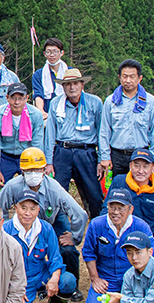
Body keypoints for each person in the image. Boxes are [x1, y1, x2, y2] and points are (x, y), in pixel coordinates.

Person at [0, 147, 88, 289]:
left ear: (45, 170)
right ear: (22, 170)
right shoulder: (13, 186)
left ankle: (70, 287)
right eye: (29, 170)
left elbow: (79, 214)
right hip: (24, 222)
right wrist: (5, 231)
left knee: (67, 250)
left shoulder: (54, 188)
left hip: (53, 220)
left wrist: (74, 237)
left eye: (38, 170)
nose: (34, 174)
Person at [81, 189, 154, 303]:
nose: (116, 212)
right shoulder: (96, 225)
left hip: (133, 279)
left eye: (121, 207)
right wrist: (95, 278)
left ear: (130, 209)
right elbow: (88, 253)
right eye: (112, 207)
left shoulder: (141, 226)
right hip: (107, 279)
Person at [3, 190, 78, 303]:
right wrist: (14, 291)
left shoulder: (46, 228)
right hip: (19, 281)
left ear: (38, 210)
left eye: (32, 209)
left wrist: (54, 279)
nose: (27, 213)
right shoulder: (5, 230)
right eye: (23, 207)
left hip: (41, 274)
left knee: (68, 281)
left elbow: (55, 258)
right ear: (15, 208)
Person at [46, 68, 104, 219]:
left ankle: (96, 224)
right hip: (63, 151)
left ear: (82, 85)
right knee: (57, 192)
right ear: (63, 87)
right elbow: (50, 133)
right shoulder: (55, 104)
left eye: (75, 83)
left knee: (94, 193)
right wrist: (48, 161)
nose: (72, 87)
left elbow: (101, 132)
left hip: (86, 151)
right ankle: (59, 225)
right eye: (68, 84)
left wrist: (103, 157)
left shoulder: (95, 103)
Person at [99, 59, 154, 178]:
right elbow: (104, 131)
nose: (128, 80)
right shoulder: (111, 101)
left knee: (141, 191)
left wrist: (153, 158)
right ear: (119, 77)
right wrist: (105, 157)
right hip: (117, 156)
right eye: (125, 76)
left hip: (141, 155)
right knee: (118, 190)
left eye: (132, 76)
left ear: (139, 78)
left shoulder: (150, 101)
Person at [106, 149, 154, 244]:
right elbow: (106, 209)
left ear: (153, 168)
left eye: (145, 167)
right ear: (130, 166)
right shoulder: (119, 182)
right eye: (136, 166)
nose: (141, 171)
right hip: (118, 237)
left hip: (144, 241)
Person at [0, 83, 46, 190]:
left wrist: (37, 167)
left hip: (27, 155)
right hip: (5, 156)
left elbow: (37, 143)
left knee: (34, 187)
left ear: (26, 98)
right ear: (7, 98)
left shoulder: (35, 114)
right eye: (13, 98)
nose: (17, 102)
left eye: (20, 98)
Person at [32, 38, 70, 114]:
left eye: (55, 51)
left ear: (62, 53)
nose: (52, 55)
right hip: (48, 111)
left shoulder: (70, 72)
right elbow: (38, 95)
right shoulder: (39, 74)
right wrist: (41, 111)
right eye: (48, 52)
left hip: (68, 111)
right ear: (44, 54)